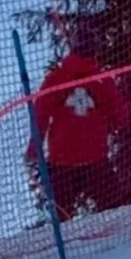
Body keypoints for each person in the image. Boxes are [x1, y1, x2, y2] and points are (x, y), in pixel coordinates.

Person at [29, 49, 118, 223]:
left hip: (63, 158)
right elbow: (117, 115)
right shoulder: (102, 79)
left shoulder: (56, 78)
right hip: (95, 156)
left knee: (61, 215)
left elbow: (41, 115)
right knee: (113, 210)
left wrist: (34, 147)